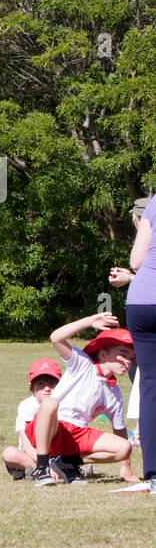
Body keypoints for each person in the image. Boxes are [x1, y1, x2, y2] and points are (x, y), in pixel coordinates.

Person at [25, 314, 135, 486]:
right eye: (123, 354)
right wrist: (89, 322)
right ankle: (42, 466)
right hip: (51, 426)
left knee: (125, 448)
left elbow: (119, 429)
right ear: (104, 354)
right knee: (50, 403)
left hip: (76, 435)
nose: (128, 361)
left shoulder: (115, 393)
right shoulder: (82, 363)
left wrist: (126, 466)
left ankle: (68, 463)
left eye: (131, 358)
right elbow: (56, 338)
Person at [123, 193, 156, 485]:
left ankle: (154, 474)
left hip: (142, 302)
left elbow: (136, 260)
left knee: (149, 386)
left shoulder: (155, 203)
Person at [1, 358, 61, 481]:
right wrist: (45, 464)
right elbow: (26, 445)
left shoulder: (64, 403)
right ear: (31, 387)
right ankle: (41, 469)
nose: (47, 388)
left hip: (57, 455)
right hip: (31, 456)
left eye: (51, 383)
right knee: (9, 453)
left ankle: (39, 471)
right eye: (40, 384)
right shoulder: (26, 406)